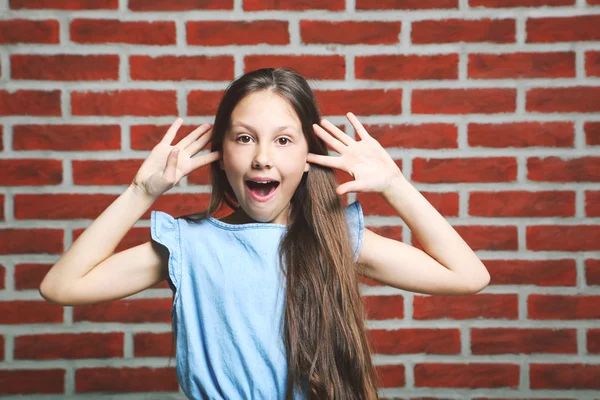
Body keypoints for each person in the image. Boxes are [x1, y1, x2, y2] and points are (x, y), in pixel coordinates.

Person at [39, 68, 490, 400]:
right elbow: (61, 286)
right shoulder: (190, 245)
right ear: (221, 153)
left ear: (310, 157)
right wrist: (140, 191)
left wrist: (394, 184)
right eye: (244, 138)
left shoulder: (334, 240)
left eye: (283, 140)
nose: (261, 159)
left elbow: (468, 275)